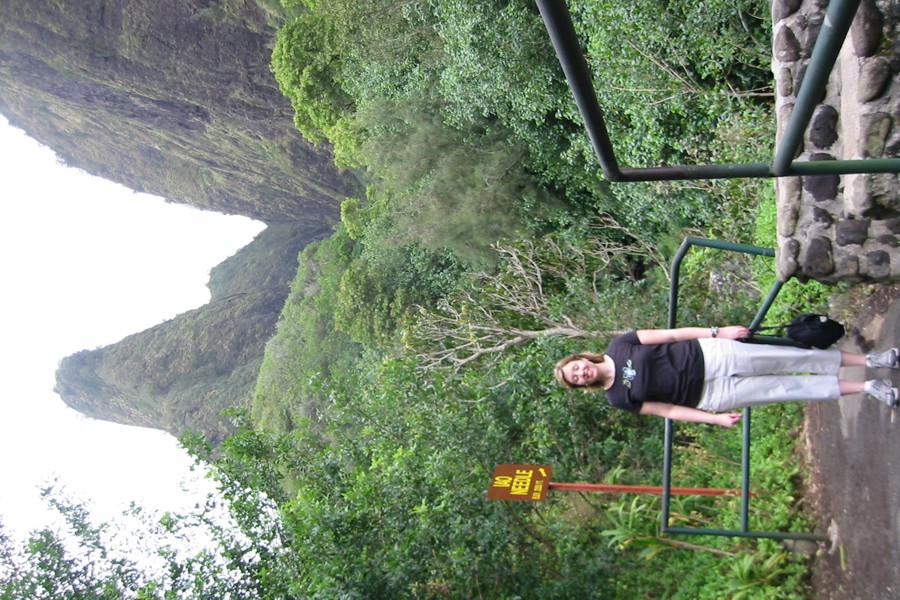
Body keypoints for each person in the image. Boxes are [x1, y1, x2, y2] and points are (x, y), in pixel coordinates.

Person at [554, 325, 899, 427]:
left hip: (712, 355)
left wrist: (717, 332)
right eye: (576, 379)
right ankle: (869, 386)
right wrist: (714, 419)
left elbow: (672, 335)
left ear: (581, 358)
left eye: (576, 367)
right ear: (582, 385)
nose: (581, 373)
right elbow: (668, 411)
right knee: (788, 387)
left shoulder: (621, 345)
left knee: (791, 357)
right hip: (711, 396)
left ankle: (871, 359)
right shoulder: (617, 398)